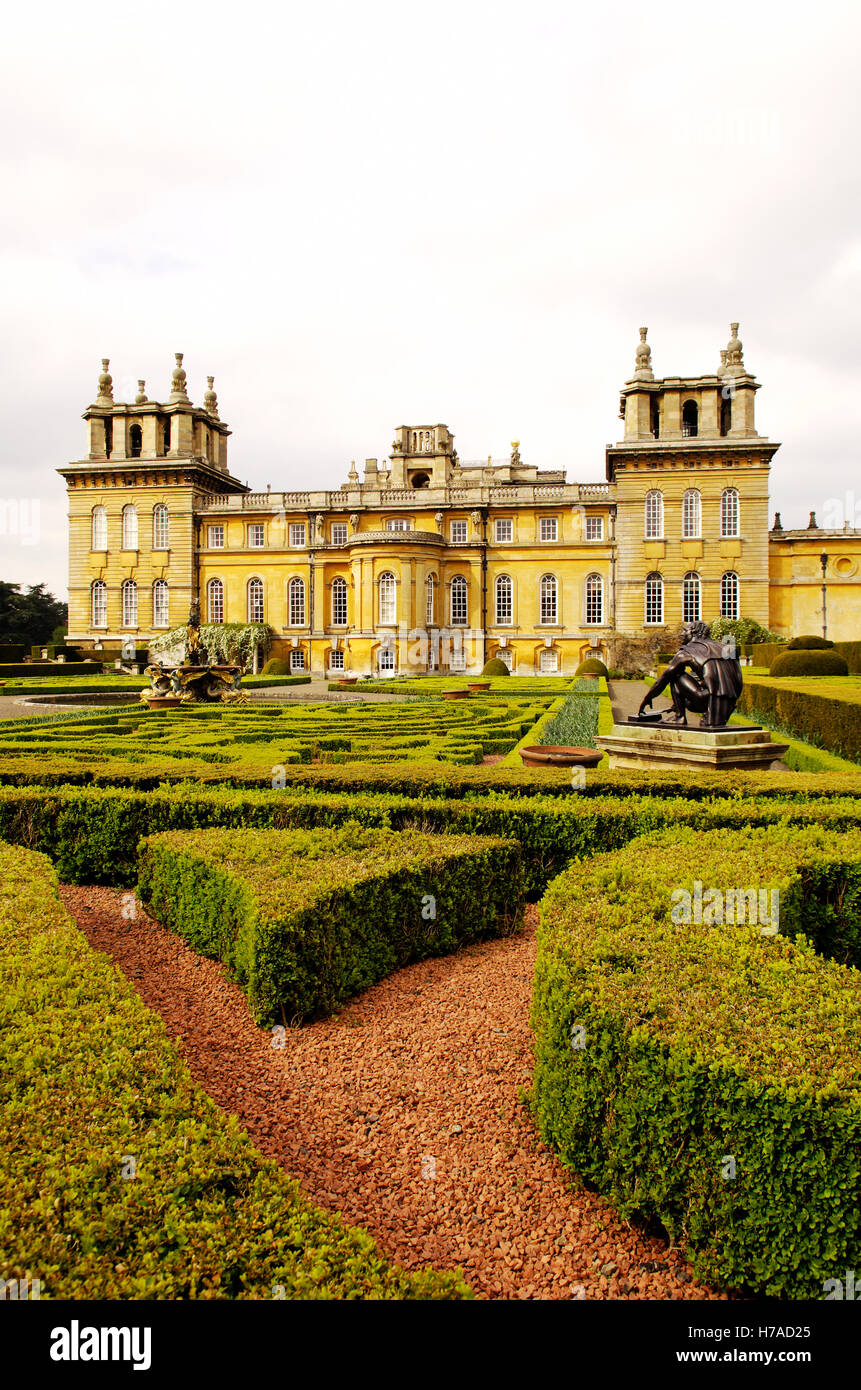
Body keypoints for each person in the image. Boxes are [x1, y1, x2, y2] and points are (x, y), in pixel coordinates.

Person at [638, 621, 743, 729]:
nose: (681, 634)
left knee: (675, 674)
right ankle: (708, 713)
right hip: (730, 702)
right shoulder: (727, 648)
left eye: (685, 630)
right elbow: (738, 680)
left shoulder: (686, 652)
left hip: (705, 700)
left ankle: (679, 717)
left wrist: (647, 698)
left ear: (694, 633)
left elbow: (664, 678)